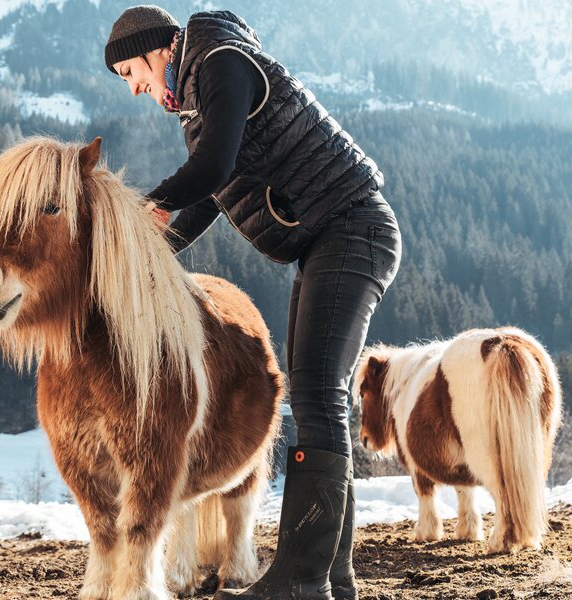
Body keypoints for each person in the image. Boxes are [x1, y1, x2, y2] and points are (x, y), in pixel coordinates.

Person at [104, 6, 402, 600]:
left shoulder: (219, 61)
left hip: (352, 231)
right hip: (326, 243)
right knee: (319, 397)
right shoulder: (199, 93)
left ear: (158, 48)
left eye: (130, 70)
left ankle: (300, 579)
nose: (134, 87)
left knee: (316, 396)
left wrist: (144, 208)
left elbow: (210, 166)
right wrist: (149, 249)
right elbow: (213, 192)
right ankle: (329, 575)